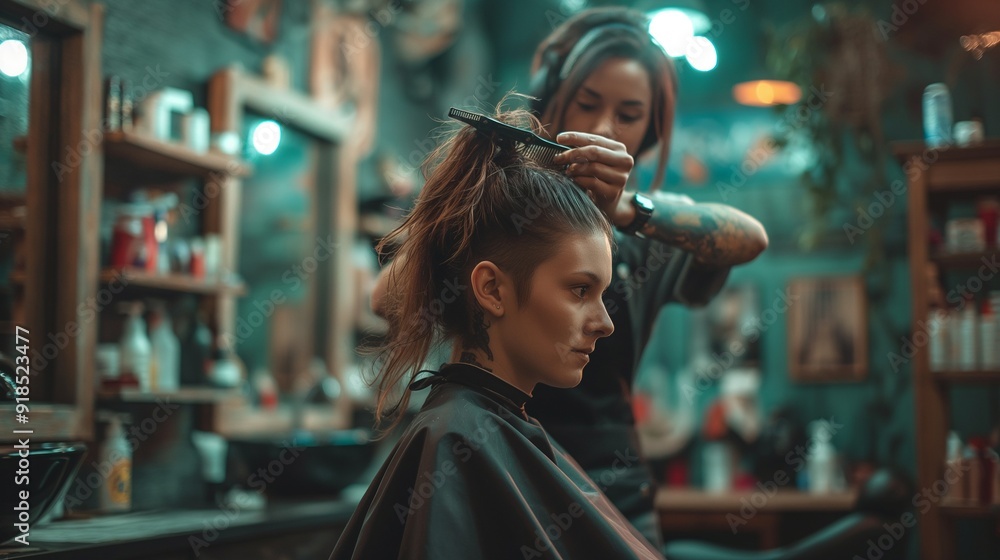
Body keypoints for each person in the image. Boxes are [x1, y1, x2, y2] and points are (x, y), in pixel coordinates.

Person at [371, 6, 768, 547]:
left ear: (648, 132)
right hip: (488, 461)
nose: (603, 128)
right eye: (587, 104)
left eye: (628, 114)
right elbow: (388, 296)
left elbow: (749, 238)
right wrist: (487, 205)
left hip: (608, 494)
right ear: (551, 99)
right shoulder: (501, 215)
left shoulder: (646, 232)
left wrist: (627, 210)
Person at [330, 108, 663, 559]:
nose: (605, 323)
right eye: (580, 290)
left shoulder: (489, 428)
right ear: (491, 289)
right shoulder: (456, 442)